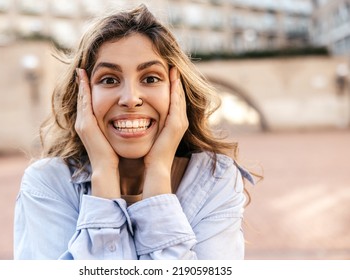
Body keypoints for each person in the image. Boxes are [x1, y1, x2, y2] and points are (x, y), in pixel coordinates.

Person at [14, 4, 255, 260]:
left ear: (178, 92)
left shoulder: (215, 180)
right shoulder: (48, 184)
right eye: (109, 79)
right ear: (83, 95)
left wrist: (159, 172)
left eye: (150, 78)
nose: (130, 99)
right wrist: (104, 172)